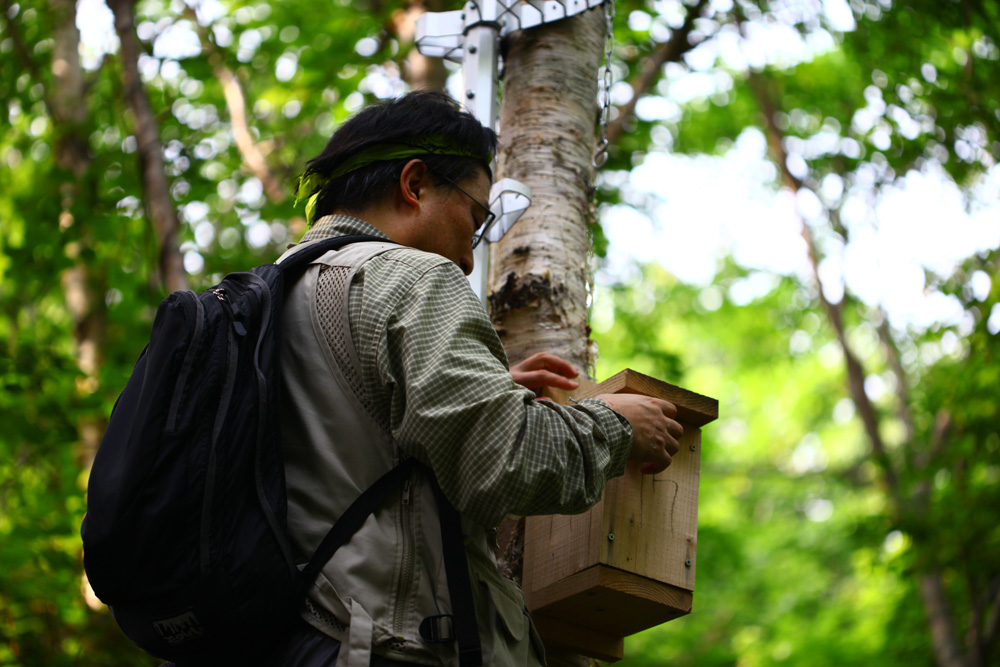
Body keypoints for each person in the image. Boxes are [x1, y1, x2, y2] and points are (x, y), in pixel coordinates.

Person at [274, 90, 683, 666]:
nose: (470, 258)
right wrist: (615, 426)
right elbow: (504, 462)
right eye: (475, 217)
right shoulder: (414, 278)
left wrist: (481, 386)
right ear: (415, 185)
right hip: (382, 650)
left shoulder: (273, 295)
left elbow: (346, 434)